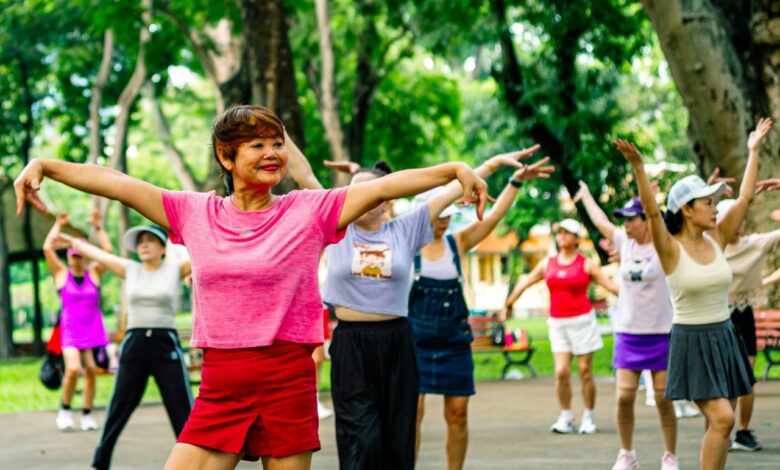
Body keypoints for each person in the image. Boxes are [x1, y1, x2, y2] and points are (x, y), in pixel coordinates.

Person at [14, 104, 488, 470]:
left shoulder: (309, 210)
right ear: (227, 155)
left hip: (287, 377)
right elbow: (118, 183)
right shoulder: (193, 212)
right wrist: (46, 165)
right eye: (257, 145)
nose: (272, 153)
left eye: (276, 143)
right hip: (222, 381)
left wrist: (454, 170)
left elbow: (385, 188)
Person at [613, 116, 771, 470]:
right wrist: (639, 168)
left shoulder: (718, 238)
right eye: (708, 203)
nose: (716, 209)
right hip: (693, 341)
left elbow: (745, 196)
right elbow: (652, 212)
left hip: (724, 336)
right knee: (724, 419)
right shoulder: (669, 249)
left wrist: (753, 149)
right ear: (686, 209)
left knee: (718, 426)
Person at [411, 153, 554, 470]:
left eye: (449, 214)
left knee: (458, 412)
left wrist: (514, 182)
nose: (445, 220)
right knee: (412, 414)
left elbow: (494, 217)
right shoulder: (406, 245)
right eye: (439, 214)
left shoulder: (457, 243)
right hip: (415, 340)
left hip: (453, 339)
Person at [55, 225, 193, 469]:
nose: (144, 245)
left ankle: (194, 462)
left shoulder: (176, 269)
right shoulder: (130, 269)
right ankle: (100, 462)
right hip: (134, 344)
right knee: (119, 405)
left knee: (182, 409)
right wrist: (70, 240)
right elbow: (99, 255)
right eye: (140, 241)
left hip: (165, 342)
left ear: (163, 247)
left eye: (151, 240)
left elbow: (206, 251)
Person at [574, 185, 678, 469]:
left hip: (660, 332)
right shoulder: (623, 241)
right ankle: (627, 454)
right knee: (623, 397)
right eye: (625, 219)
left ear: (647, 220)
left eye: (632, 218)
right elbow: (600, 222)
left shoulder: (663, 243)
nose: (627, 224)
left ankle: (669, 456)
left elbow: (660, 215)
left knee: (662, 398)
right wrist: (585, 194)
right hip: (629, 332)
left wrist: (650, 197)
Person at [504, 217, 619, 435]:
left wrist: (638, 295)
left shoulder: (586, 263)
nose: (561, 236)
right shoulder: (548, 263)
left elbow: (610, 285)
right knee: (561, 372)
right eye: (559, 233)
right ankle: (566, 416)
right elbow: (526, 281)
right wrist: (509, 303)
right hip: (558, 322)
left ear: (576, 239)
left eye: (566, 233)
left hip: (582, 322)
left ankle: (588, 416)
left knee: (585, 371)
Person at [711, 196, 780, 451]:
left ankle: (742, 432)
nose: (735, 223)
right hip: (716, 313)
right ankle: (720, 429)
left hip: (742, 313)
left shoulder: (755, 244)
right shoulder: (711, 246)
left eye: (739, 217)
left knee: (746, 378)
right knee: (720, 379)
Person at [43, 211, 112, 432]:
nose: (76, 259)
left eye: (80, 255)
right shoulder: (62, 274)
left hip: (92, 328)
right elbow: (47, 248)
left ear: (85, 256)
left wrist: (98, 228)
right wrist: (58, 224)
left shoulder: (94, 273)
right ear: (69, 257)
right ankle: (64, 409)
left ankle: (87, 413)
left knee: (91, 370)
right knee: (73, 369)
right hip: (70, 330)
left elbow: (108, 252)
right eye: (73, 255)